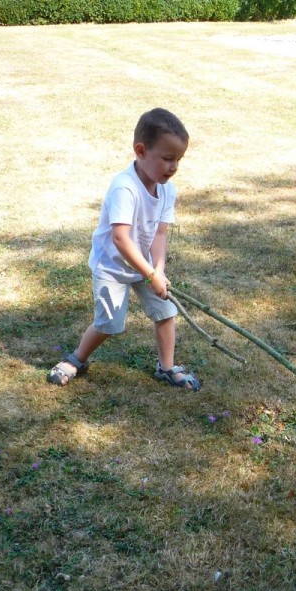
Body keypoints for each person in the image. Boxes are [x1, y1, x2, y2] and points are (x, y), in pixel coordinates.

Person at [48, 108, 201, 391]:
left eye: (178, 160)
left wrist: (158, 270)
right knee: (108, 323)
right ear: (141, 151)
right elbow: (120, 238)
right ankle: (76, 359)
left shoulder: (168, 190)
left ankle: (167, 367)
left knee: (166, 312)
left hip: (144, 265)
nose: (173, 167)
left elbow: (160, 233)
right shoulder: (124, 188)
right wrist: (150, 273)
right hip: (113, 266)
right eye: (167, 158)